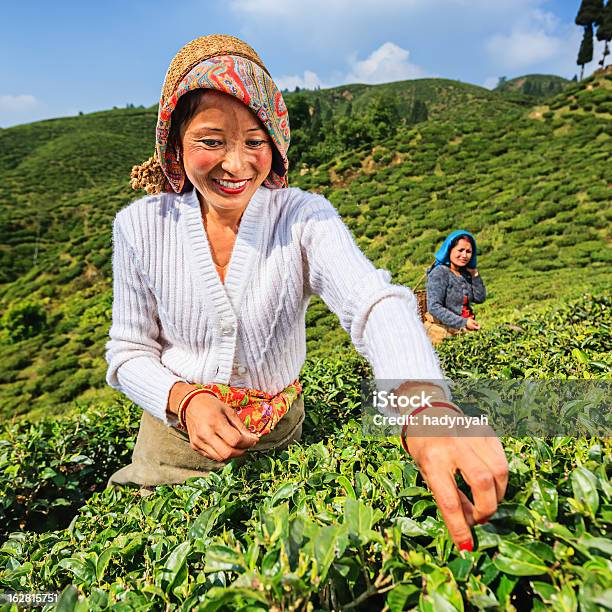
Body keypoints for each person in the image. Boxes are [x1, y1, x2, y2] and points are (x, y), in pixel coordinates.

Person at [104, 35, 507, 551]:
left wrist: (424, 407)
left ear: (276, 141)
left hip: (279, 446)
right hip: (171, 450)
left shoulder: (302, 216)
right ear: (175, 144)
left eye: (255, 141)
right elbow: (127, 352)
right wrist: (183, 399)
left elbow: (372, 301)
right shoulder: (140, 227)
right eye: (211, 141)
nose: (237, 164)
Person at [424, 230, 487, 345]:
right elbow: (434, 307)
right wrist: (463, 322)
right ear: (449, 250)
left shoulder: (465, 273)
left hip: (464, 330)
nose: (464, 255)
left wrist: (475, 274)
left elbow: (480, 298)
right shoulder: (440, 273)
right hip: (444, 334)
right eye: (460, 250)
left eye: (468, 251)